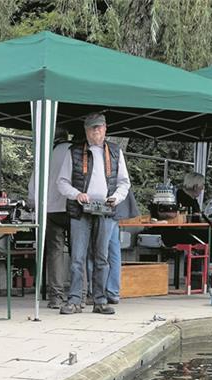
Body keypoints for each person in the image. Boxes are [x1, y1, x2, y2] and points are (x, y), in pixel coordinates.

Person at [56, 111, 130, 316]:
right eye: (92, 127)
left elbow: (124, 182)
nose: (96, 130)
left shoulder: (115, 152)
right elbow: (62, 182)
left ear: (105, 129)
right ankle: (74, 300)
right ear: (86, 130)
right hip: (81, 210)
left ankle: (100, 300)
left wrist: (116, 197)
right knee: (77, 257)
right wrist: (77, 194)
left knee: (102, 257)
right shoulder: (74, 151)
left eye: (100, 127)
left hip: (106, 209)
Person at [28, 127, 72, 309]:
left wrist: (34, 204)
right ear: (66, 136)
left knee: (55, 253)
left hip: (50, 209)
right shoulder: (75, 150)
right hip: (73, 207)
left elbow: (33, 187)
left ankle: (56, 297)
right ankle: (81, 295)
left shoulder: (45, 155)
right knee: (79, 253)